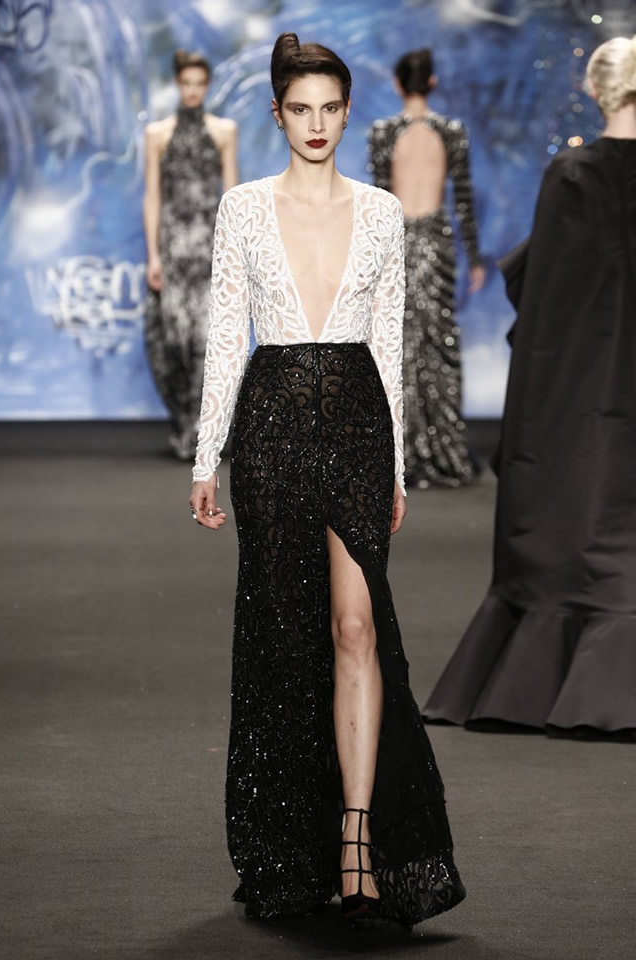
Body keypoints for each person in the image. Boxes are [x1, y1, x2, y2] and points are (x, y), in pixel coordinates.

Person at [189, 32, 465, 925]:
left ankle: (356, 844)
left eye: (330, 108)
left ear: (348, 114)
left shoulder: (381, 212)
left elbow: (388, 343)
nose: (316, 124)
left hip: (356, 421)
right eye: (300, 109)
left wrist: (401, 466)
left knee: (355, 626)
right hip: (270, 423)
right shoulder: (242, 207)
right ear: (278, 115)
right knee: (285, 639)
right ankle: (290, 845)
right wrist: (206, 455)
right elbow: (226, 332)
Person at [423, 36, 636, 740]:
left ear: (594, 91)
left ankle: (550, 667)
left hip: (581, 379)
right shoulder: (571, 173)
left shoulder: (572, 173)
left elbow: (546, 304)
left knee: (572, 494)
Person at [368, 48, 484, 489]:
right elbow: (464, 200)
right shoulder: (452, 131)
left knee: (394, 344)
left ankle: (398, 452)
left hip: (396, 244)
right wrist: (474, 258)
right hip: (437, 244)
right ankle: (443, 448)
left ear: (398, 84)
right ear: (432, 82)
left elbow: (379, 201)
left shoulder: (382, 132)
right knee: (437, 342)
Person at [143, 50, 238, 459]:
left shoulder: (224, 131)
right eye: (187, 83)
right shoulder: (156, 134)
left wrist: (234, 254)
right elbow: (153, 196)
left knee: (207, 340)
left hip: (209, 250)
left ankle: (204, 432)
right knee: (173, 343)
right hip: (173, 250)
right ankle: (184, 422)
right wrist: (153, 255)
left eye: (200, 83)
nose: (193, 90)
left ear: (207, 85)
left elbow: (232, 197)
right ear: (178, 85)